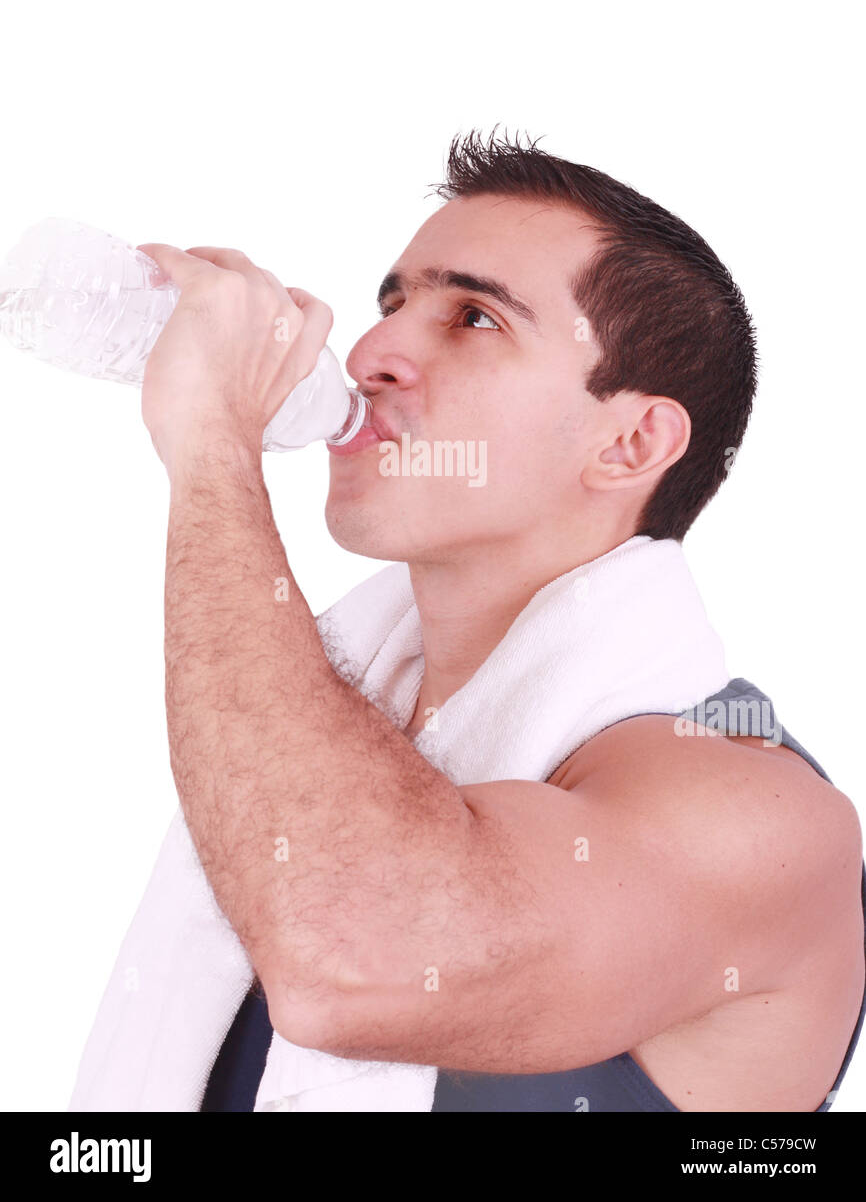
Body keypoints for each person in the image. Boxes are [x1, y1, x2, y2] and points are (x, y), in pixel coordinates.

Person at [74, 128, 866, 1113]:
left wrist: (211, 451)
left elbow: (346, 951)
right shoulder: (322, 726)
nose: (369, 356)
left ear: (628, 442)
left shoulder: (757, 814)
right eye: (393, 303)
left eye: (475, 318)